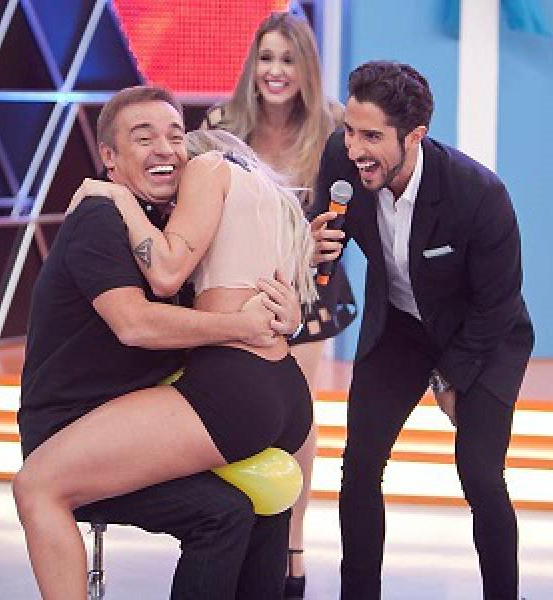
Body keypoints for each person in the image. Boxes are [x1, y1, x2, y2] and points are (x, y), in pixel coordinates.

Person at [13, 86, 317, 599]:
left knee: (231, 511)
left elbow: (216, 298)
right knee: (222, 510)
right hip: (73, 423)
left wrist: (281, 319)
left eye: (176, 136)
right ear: (109, 157)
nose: (166, 148)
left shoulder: (166, 226)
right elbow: (136, 325)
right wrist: (244, 327)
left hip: (161, 414)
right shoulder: (101, 217)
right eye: (144, 137)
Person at [312, 61, 535, 599]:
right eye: (350, 130)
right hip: (401, 326)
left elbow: (498, 302)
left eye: (371, 137)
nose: (355, 148)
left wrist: (450, 377)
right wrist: (312, 247)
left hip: (482, 334)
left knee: (480, 475)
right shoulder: (341, 160)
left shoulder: (477, 193)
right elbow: (326, 241)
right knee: (360, 466)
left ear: (414, 136)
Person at [201, 13, 354, 596]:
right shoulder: (221, 124)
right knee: (239, 407)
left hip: (309, 289)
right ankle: (236, 533)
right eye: (266, 58)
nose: (276, 71)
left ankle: (292, 541)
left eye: (288, 60)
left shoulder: (333, 128)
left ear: (306, 68)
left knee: (294, 415)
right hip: (233, 290)